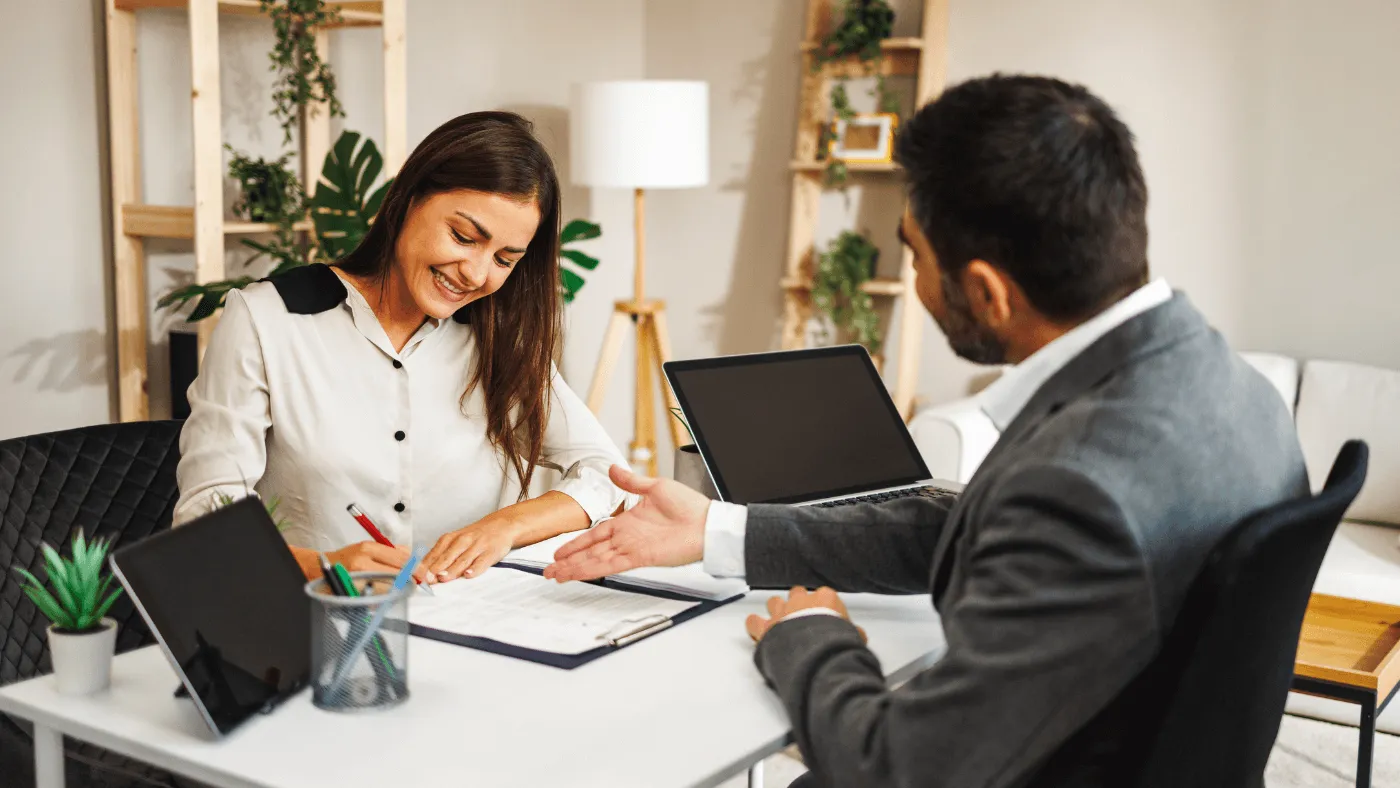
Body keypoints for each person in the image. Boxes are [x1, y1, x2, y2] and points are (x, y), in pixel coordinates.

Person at [544, 75, 1309, 787]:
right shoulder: (1223, 382)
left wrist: (809, 635)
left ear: (986, 290)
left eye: (913, 251)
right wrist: (722, 530)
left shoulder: (1082, 485)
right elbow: (983, 520)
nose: (912, 278)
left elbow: (894, 769)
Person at [175, 111, 628, 584]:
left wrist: (505, 526)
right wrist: (325, 568)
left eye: (503, 259)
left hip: (463, 623)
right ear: (409, 201)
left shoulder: (498, 337)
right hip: (316, 624)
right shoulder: (267, 320)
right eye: (463, 236)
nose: (475, 274)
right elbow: (205, 520)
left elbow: (610, 476)